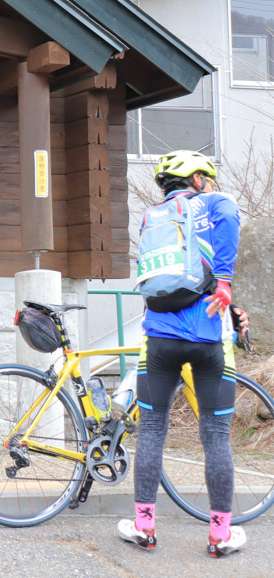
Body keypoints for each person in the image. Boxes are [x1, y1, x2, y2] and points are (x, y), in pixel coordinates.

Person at [118, 150, 245, 557]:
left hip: (160, 335)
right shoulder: (218, 201)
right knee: (216, 435)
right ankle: (220, 535)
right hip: (210, 336)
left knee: (153, 431)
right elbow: (227, 227)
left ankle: (143, 526)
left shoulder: (152, 216)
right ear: (198, 179)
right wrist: (224, 283)